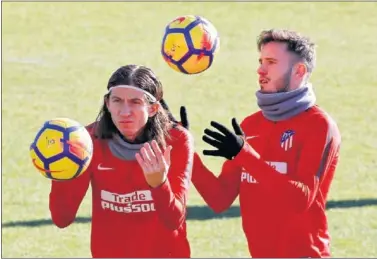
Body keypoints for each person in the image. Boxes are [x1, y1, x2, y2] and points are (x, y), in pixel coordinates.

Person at [181, 29, 341, 258]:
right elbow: (219, 198)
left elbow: (300, 199)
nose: (260, 69)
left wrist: (243, 154)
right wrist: (186, 150)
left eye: (271, 62)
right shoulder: (252, 125)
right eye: (261, 61)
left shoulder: (319, 126)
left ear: (299, 70)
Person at [49, 65, 194, 258]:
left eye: (135, 102)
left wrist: (159, 184)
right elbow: (62, 219)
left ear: (153, 108)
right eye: (117, 101)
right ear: (107, 104)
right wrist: (60, 171)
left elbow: (173, 220)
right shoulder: (87, 142)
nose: (125, 112)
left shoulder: (176, 141)